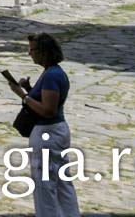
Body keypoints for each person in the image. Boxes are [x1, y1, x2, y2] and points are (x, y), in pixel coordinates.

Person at [15, 32, 79, 217]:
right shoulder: (53, 72)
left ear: (43, 52)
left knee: (45, 186)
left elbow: (48, 109)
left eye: (33, 50)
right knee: (61, 183)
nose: (30, 54)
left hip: (48, 133)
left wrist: (23, 96)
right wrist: (29, 88)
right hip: (54, 132)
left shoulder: (52, 75)